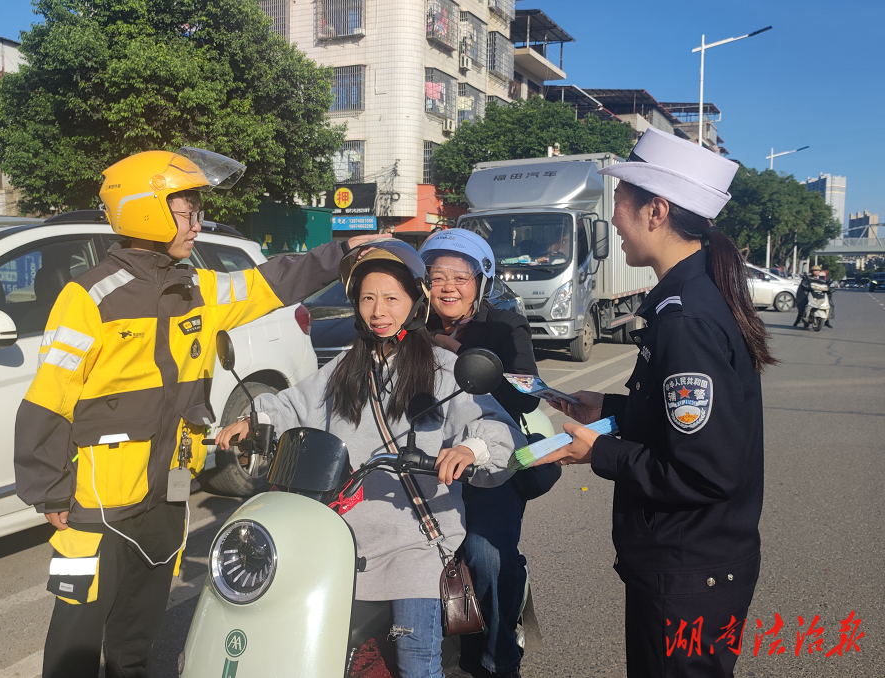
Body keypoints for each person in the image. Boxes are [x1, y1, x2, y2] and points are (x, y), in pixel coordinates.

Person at [14, 146, 387, 678]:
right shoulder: (90, 297)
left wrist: (342, 252)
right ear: (148, 209)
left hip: (167, 497)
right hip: (96, 505)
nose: (196, 224)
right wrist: (48, 489)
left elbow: (270, 283)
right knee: (75, 640)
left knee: (137, 639)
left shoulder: (197, 288)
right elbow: (48, 396)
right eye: (187, 212)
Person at [216, 240, 525, 678]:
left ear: (415, 303)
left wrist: (468, 449)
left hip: (416, 540)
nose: (379, 310)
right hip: (342, 539)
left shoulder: (441, 368)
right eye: (368, 298)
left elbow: (495, 425)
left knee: (417, 662)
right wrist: (256, 419)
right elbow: (293, 405)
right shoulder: (342, 369)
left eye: (391, 298)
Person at [535, 128, 776, 677]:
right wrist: (613, 408)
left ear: (656, 211)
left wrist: (597, 453)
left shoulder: (685, 319)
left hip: (688, 576)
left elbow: (703, 470)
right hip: (689, 569)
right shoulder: (687, 300)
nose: (614, 217)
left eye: (620, 200)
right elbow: (685, 424)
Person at [421, 228, 559, 678]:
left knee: (485, 553)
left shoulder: (504, 325)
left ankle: (500, 656)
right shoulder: (408, 325)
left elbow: (527, 395)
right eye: (436, 275)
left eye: (460, 277)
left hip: (489, 459)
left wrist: (463, 353)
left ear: (481, 281)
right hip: (423, 460)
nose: (447, 287)